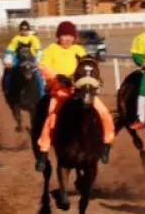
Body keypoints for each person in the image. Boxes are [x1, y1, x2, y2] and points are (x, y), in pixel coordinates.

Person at [36, 20, 114, 168]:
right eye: (64, 35)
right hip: (59, 91)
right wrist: (58, 76)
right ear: (58, 36)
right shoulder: (50, 50)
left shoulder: (79, 50)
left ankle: (106, 145)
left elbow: (89, 65)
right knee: (52, 117)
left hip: (81, 90)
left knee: (104, 113)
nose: (67, 39)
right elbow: (43, 67)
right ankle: (43, 151)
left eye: (70, 36)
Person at [3, 20, 45, 97]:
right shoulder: (16, 39)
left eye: (26, 29)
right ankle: (8, 89)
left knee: (39, 74)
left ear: (29, 30)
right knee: (8, 71)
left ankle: (42, 94)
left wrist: (38, 61)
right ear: (20, 30)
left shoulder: (33, 39)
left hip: (32, 58)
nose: (24, 31)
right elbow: (9, 51)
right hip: (18, 58)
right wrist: (8, 61)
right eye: (22, 29)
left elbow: (38, 51)